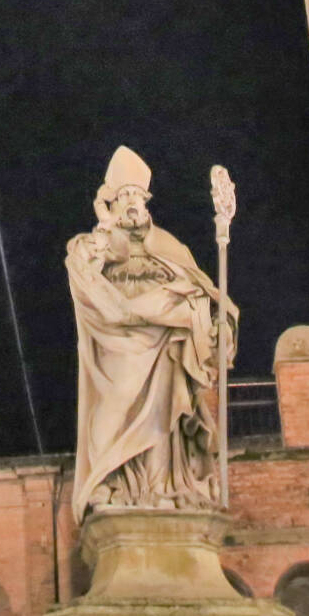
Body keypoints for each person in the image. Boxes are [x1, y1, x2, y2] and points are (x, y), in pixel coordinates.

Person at [66, 146, 237, 517]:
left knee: (165, 410)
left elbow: (204, 290)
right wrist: (105, 224)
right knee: (113, 408)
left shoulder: (168, 246)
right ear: (110, 201)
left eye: (136, 196)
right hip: (116, 340)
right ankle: (107, 483)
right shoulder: (99, 241)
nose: (130, 203)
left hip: (163, 338)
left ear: (146, 202)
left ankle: (160, 489)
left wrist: (216, 320)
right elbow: (81, 268)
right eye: (122, 195)